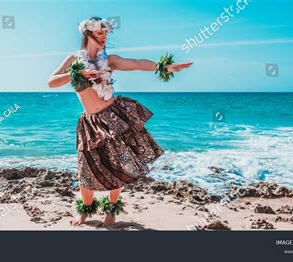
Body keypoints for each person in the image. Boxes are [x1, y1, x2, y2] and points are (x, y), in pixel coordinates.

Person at [48, 17, 193, 227]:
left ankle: (111, 213)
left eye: (106, 33)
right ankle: (85, 212)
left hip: (114, 115)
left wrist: (164, 67)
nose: (104, 37)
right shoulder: (74, 60)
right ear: (88, 34)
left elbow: (136, 64)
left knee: (121, 164)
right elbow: (51, 82)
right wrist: (78, 73)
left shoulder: (110, 60)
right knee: (85, 167)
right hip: (90, 121)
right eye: (100, 33)